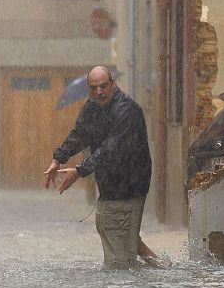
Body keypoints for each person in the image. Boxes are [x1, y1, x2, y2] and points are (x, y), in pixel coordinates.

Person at [44, 66, 162, 267]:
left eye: (103, 86)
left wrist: (79, 171)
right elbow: (80, 134)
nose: (99, 91)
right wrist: (58, 159)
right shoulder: (92, 107)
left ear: (113, 84)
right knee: (123, 236)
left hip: (129, 187)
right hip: (110, 187)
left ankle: (141, 279)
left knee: (119, 257)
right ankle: (162, 268)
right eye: (93, 88)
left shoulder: (127, 110)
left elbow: (110, 148)